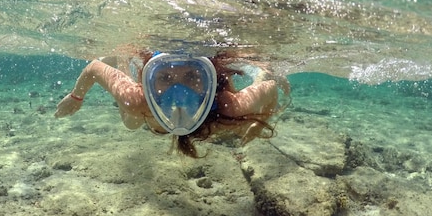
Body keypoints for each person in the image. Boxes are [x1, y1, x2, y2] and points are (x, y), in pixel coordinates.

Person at [54, 50, 290, 157]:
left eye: (191, 77)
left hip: (214, 104)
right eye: (165, 78)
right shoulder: (138, 99)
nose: (178, 92)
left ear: (209, 82)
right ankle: (123, 58)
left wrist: (260, 123)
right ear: (149, 80)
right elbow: (95, 68)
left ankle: (263, 71)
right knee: (130, 123)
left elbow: (269, 90)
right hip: (143, 103)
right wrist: (76, 98)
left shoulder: (228, 106)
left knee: (235, 123)